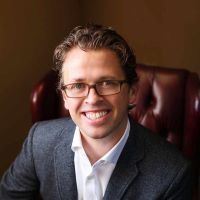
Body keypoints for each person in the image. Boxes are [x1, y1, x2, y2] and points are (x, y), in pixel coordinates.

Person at [0, 24, 193, 200]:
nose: (92, 99)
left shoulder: (173, 174)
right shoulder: (39, 141)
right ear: (65, 97)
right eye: (77, 85)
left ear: (132, 93)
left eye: (107, 83)